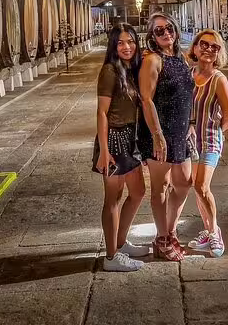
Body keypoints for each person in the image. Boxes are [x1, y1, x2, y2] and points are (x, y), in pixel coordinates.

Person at [138, 12, 194, 261]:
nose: (165, 33)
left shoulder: (180, 57)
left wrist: (190, 123)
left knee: (184, 182)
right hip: (160, 130)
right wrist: (157, 135)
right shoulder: (153, 60)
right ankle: (162, 239)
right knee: (160, 186)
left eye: (168, 28)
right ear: (152, 36)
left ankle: (170, 231)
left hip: (180, 130)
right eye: (158, 30)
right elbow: (146, 99)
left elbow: (186, 94)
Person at [93, 23, 149, 272]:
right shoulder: (109, 71)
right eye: (121, 43)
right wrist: (104, 151)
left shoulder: (131, 69)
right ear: (113, 46)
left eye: (131, 41)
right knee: (113, 199)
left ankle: (121, 241)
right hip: (114, 140)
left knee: (137, 192)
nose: (127, 47)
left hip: (130, 139)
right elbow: (102, 113)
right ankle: (111, 256)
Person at [186, 30, 228, 257]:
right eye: (204, 45)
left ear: (218, 53)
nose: (208, 49)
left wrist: (215, 133)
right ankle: (207, 231)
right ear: (195, 48)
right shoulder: (188, 75)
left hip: (210, 141)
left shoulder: (219, 80)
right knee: (196, 188)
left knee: (202, 187)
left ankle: (215, 232)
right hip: (190, 143)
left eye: (214, 47)